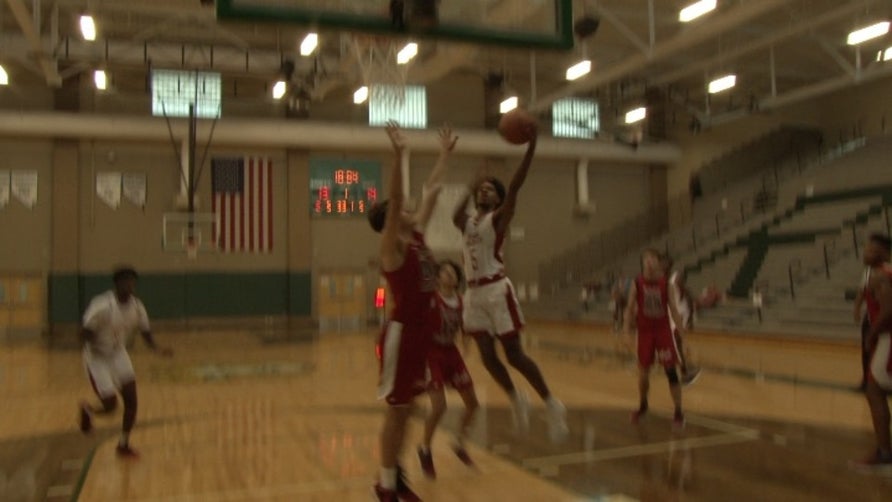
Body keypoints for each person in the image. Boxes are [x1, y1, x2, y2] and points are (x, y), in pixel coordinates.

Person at [452, 123, 568, 443]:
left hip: (496, 289)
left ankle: (552, 403)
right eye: (482, 188)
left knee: (514, 354)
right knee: (488, 358)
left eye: (491, 187)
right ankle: (517, 398)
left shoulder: (498, 219)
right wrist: (470, 183)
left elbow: (516, 186)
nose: (484, 189)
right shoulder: (467, 222)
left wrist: (530, 148)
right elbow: (454, 213)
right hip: (474, 296)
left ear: (500, 198)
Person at [369, 121, 457, 501]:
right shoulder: (393, 246)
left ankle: (396, 473)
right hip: (401, 335)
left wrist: (443, 156)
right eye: (398, 208)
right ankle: (386, 485)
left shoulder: (416, 234)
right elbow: (398, 195)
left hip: (422, 333)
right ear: (390, 218)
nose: (407, 208)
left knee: (407, 412)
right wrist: (398, 155)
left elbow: (431, 193)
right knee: (396, 411)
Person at [78, 266, 172, 458]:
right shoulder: (103, 305)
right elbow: (84, 331)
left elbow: (145, 332)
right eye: (125, 281)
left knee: (132, 400)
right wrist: (92, 340)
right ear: (117, 284)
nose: (129, 285)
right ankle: (88, 409)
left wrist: (157, 348)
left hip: (118, 353)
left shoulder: (137, 307)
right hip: (97, 357)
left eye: (132, 281)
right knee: (111, 405)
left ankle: (123, 444)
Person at [417, 260, 479, 479]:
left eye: (452, 272)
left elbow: (465, 328)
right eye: (444, 271)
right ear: (437, 278)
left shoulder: (462, 302)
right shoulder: (431, 300)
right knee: (439, 406)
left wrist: (467, 342)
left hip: (451, 353)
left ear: (457, 278)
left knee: (473, 404)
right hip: (432, 354)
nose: (448, 274)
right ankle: (424, 449)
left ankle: (459, 443)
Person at [624, 249, 688, 429]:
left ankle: (678, 411)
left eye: (653, 259)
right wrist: (626, 331)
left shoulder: (665, 284)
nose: (650, 262)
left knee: (670, 371)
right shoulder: (637, 283)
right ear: (643, 263)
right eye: (647, 259)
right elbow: (629, 308)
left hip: (662, 332)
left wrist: (682, 333)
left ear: (658, 263)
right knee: (643, 373)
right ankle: (643, 405)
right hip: (645, 332)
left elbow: (674, 310)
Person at [851, 234, 892, 469]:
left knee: (875, 392)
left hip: (888, 339)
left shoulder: (879, 277)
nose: (864, 252)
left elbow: (888, 310)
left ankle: (884, 452)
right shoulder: (887, 273)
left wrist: (871, 334)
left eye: (869, 248)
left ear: (880, 252)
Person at [660, 254, 700, 386]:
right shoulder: (662, 280)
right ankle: (684, 370)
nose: (662, 266)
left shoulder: (676, 277)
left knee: (676, 343)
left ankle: (684, 372)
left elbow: (687, 295)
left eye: (665, 263)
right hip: (672, 316)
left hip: (681, 314)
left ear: (669, 264)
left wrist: (691, 318)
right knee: (675, 344)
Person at [853, 266, 872, 392]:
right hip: (872, 315)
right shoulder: (869, 271)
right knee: (867, 349)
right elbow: (862, 291)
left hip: (884, 315)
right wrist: (857, 308)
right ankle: (867, 380)